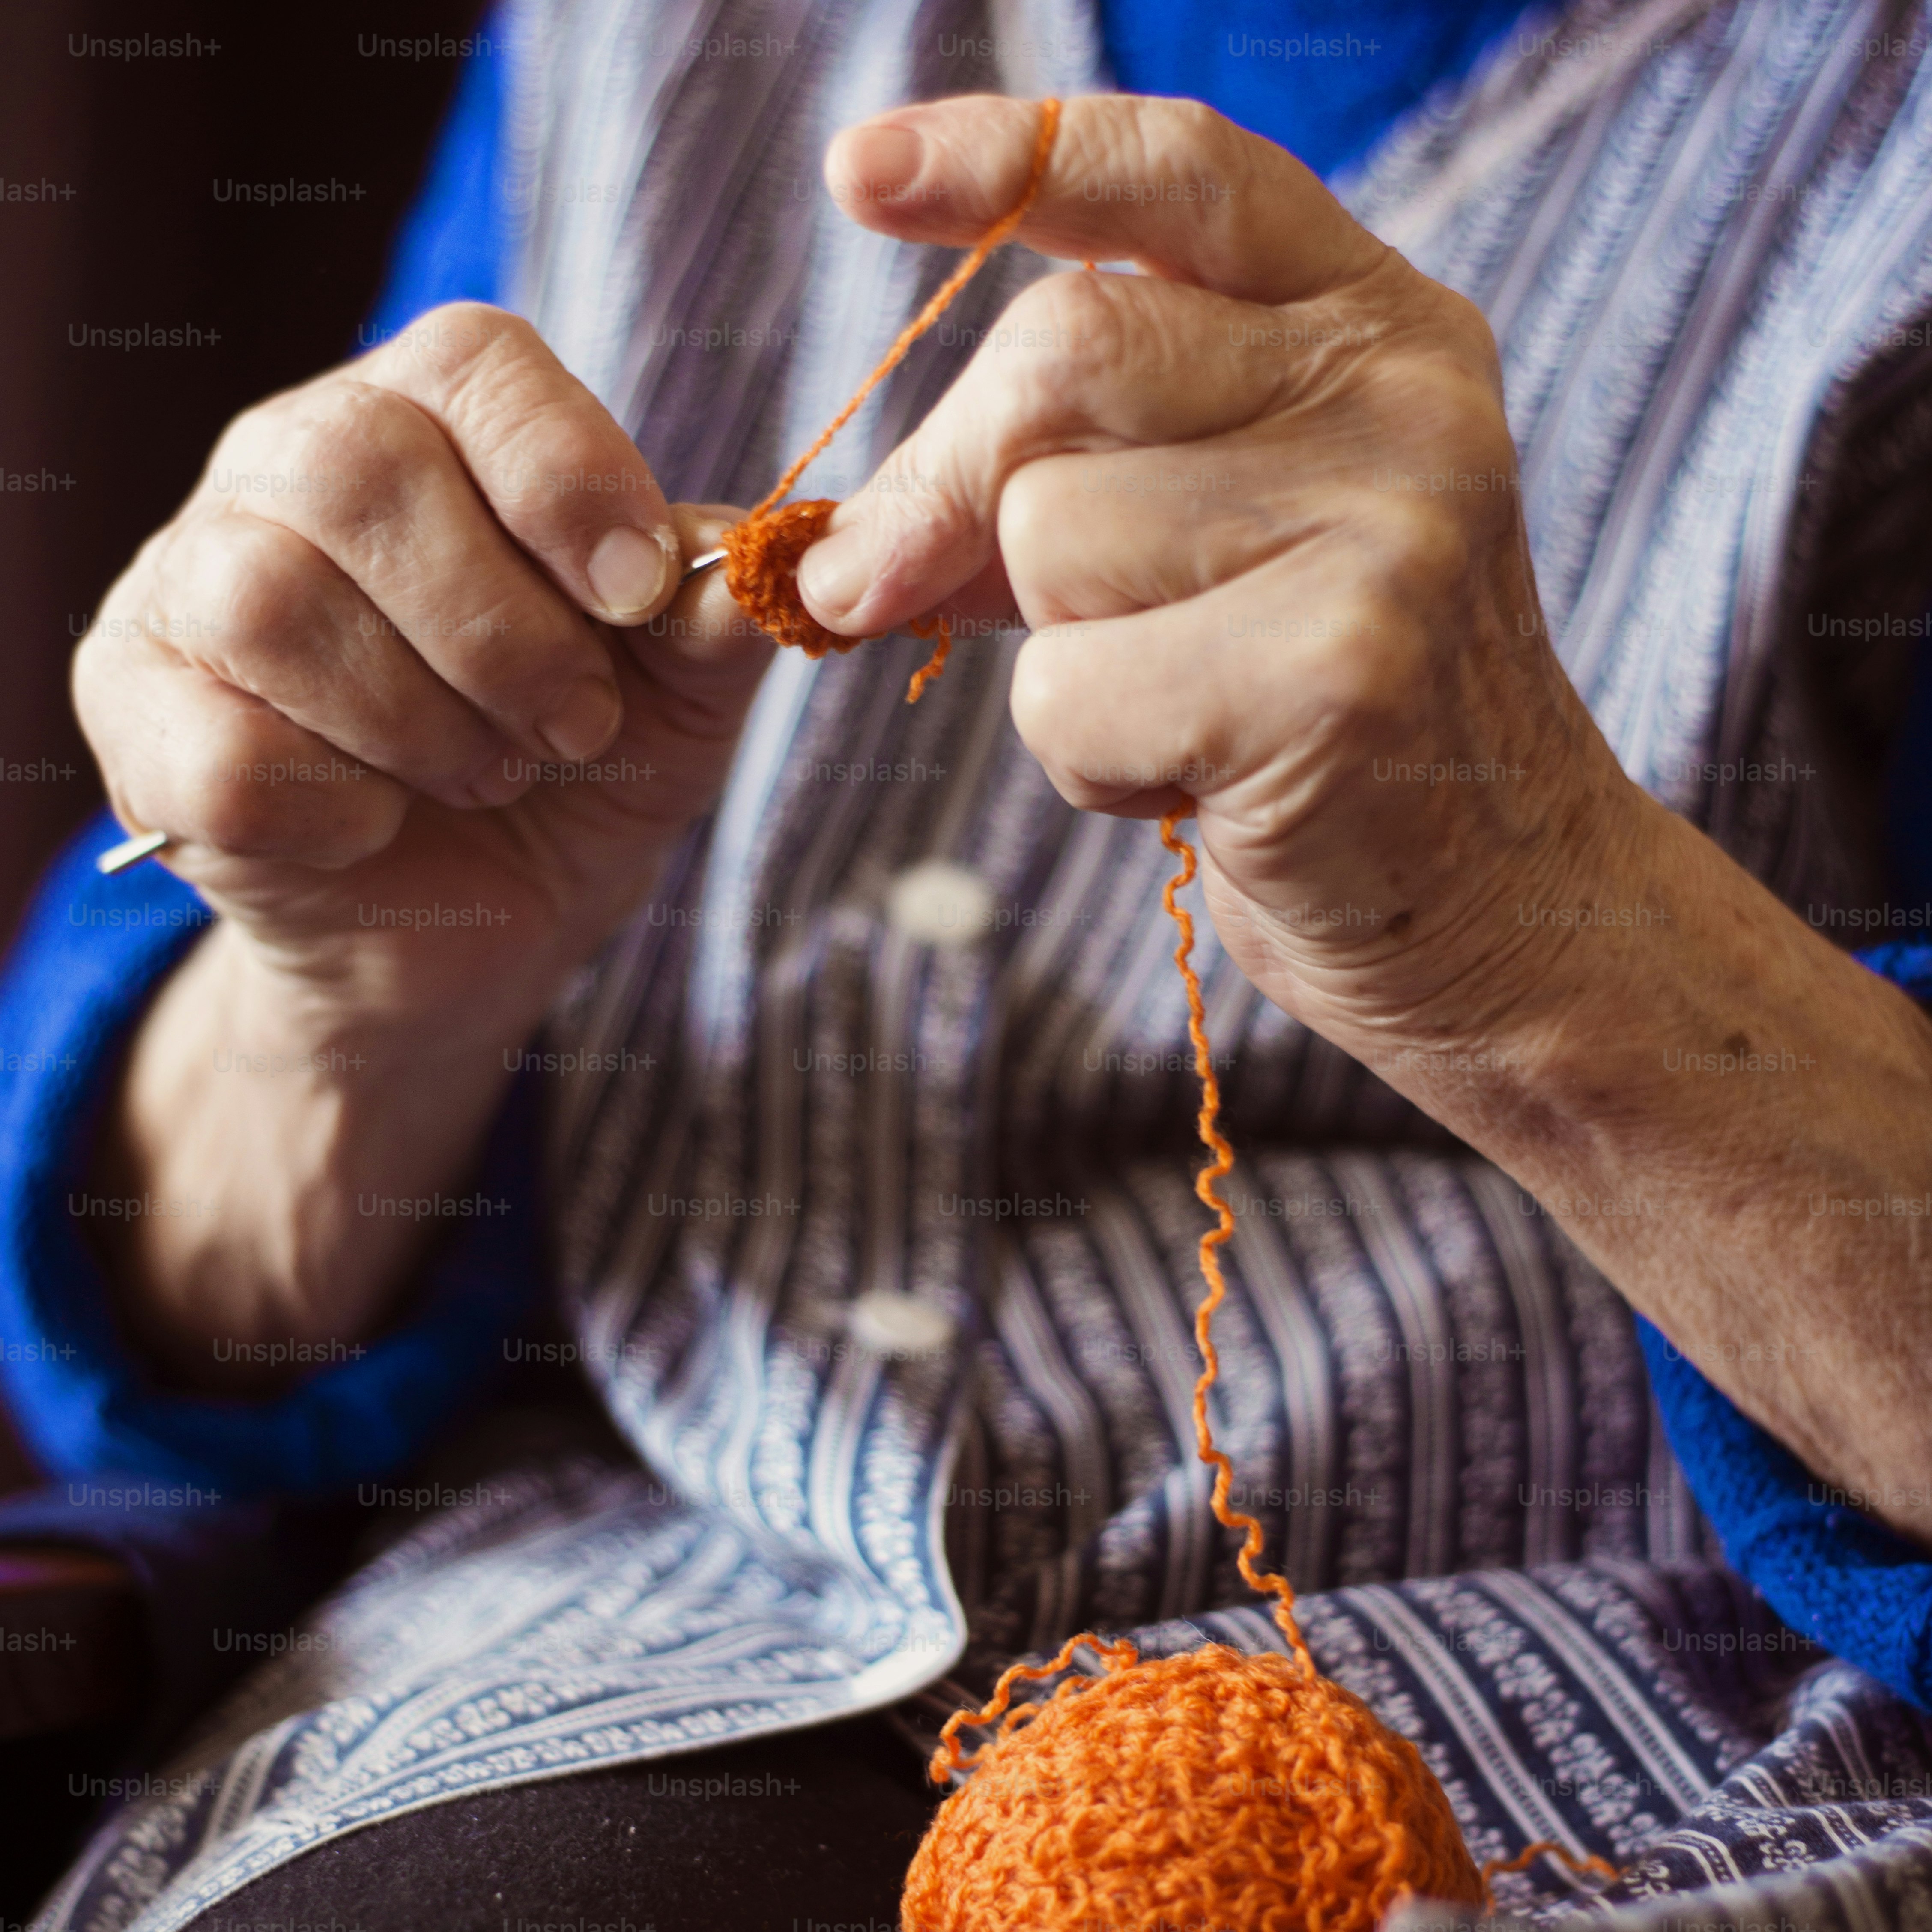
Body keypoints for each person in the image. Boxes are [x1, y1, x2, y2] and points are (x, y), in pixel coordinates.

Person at [5, 0, 1932, 1926]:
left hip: (1611, 1760)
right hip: (545, 1678)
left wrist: (1557, 942)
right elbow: (161, 1313)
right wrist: (354, 1013)